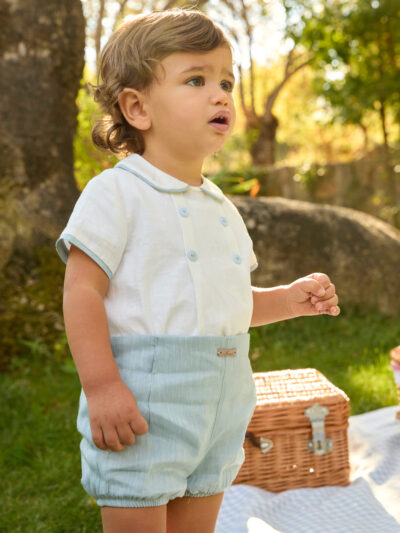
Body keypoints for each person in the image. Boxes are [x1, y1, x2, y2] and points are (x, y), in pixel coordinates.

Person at [55, 8, 340, 533]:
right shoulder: (116, 192)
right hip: (144, 406)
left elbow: (225, 304)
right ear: (137, 107)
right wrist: (102, 386)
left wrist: (288, 299)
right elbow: (82, 292)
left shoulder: (221, 206)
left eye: (226, 82)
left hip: (222, 407)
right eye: (196, 80)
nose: (221, 95)